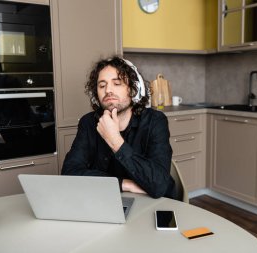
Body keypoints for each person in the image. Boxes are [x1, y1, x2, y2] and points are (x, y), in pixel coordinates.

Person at [61, 56, 176, 199]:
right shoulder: (88, 123)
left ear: (133, 89)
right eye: (102, 86)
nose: (108, 90)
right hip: (107, 199)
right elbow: (69, 172)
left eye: (117, 83)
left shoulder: (155, 121)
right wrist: (124, 184)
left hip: (154, 202)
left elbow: (159, 184)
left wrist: (115, 141)